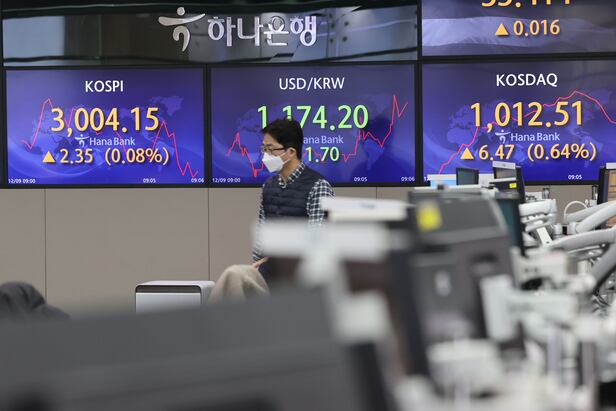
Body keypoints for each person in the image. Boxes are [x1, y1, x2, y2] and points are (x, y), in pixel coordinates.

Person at [252, 118, 334, 277]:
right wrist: (257, 266)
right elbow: (261, 240)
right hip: (270, 273)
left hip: (303, 276)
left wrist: (273, 260)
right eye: (264, 149)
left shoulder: (318, 186)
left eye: (270, 149)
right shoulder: (268, 186)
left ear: (290, 152)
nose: (265, 155)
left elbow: (317, 243)